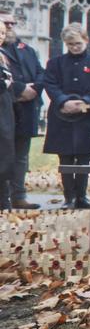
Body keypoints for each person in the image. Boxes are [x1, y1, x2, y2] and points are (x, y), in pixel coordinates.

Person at [43, 23, 90, 208]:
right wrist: (63, 101)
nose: (75, 47)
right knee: (66, 156)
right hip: (62, 114)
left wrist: (86, 101)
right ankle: (69, 197)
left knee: (85, 156)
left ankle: (81, 196)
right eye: (70, 44)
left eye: (78, 43)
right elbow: (50, 84)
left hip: (87, 115)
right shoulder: (55, 63)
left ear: (86, 41)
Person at [0, 12, 44, 209]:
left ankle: (18, 195)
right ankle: (4, 198)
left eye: (11, 23)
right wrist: (19, 89)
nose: (9, 27)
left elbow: (40, 72)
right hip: (6, 107)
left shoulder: (26, 49)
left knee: (20, 156)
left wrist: (34, 90)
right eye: (5, 23)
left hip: (24, 109)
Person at [0, 19, 16, 208]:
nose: (1, 36)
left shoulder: (3, 55)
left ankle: (4, 199)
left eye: (3, 33)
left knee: (4, 153)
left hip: (4, 108)